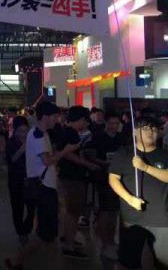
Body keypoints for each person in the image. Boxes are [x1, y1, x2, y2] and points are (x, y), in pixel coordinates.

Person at [5, 102, 80, 269]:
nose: (57, 120)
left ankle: (21, 260)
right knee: (46, 233)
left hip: (43, 186)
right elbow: (47, 160)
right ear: (46, 117)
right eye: (55, 116)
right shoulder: (38, 135)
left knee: (48, 232)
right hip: (43, 188)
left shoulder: (40, 133)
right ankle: (16, 261)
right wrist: (66, 151)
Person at [109, 116, 168, 269]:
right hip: (132, 218)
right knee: (129, 262)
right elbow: (113, 179)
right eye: (146, 128)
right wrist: (129, 199)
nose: (151, 132)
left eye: (154, 129)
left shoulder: (164, 154)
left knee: (163, 262)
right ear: (135, 132)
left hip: (161, 219)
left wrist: (145, 167)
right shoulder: (124, 153)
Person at [57, 105, 100, 259]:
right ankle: (69, 245)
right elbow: (68, 154)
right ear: (81, 119)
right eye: (85, 120)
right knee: (74, 211)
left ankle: (67, 237)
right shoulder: (71, 133)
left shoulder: (66, 131)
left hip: (67, 175)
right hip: (72, 176)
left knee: (70, 210)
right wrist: (88, 164)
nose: (86, 124)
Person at [88, 110, 122, 261]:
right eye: (111, 124)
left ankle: (111, 241)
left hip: (119, 178)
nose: (114, 126)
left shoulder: (121, 138)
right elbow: (90, 155)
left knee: (114, 211)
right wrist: (104, 163)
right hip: (103, 178)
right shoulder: (98, 137)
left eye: (116, 124)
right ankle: (106, 243)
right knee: (105, 211)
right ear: (106, 123)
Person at [6, 116, 35, 246]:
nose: (23, 133)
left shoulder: (32, 141)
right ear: (15, 130)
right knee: (17, 206)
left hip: (30, 178)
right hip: (16, 179)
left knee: (31, 206)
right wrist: (23, 147)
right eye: (20, 131)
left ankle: (27, 228)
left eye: (25, 130)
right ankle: (21, 232)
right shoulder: (11, 142)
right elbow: (11, 160)